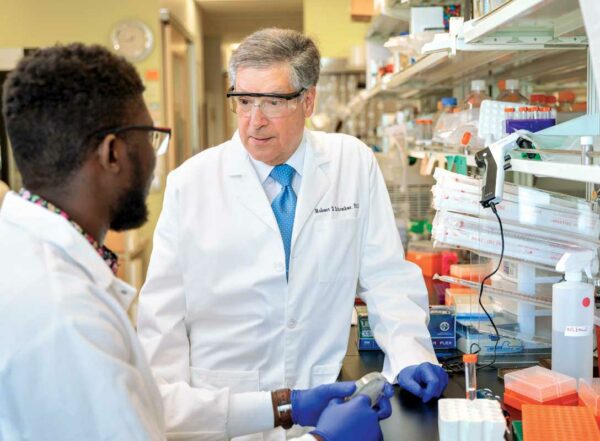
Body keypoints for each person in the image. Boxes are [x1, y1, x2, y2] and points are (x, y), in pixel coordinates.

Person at [0, 43, 389, 441]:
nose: (155, 160)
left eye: (271, 102)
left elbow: (151, 406)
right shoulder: (66, 315)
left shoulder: (28, 266)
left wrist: (284, 406)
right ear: (113, 153)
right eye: (150, 140)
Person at [137, 28, 448, 441]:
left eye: (273, 102)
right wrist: (169, 416)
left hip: (325, 407)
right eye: (244, 101)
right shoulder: (190, 183)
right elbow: (162, 325)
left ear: (308, 100)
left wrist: (410, 352)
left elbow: (386, 275)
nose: (255, 120)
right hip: (221, 415)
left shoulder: (350, 163)